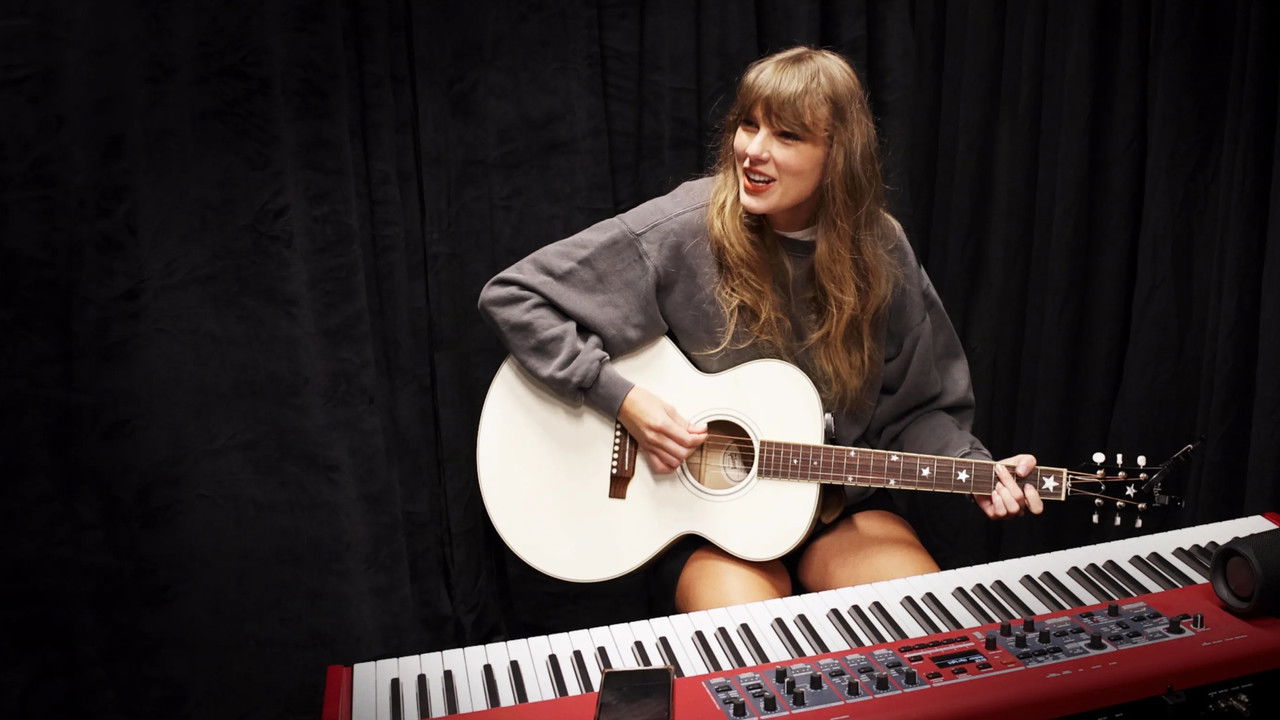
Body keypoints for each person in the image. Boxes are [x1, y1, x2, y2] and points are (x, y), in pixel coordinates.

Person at [478, 46, 1042, 614]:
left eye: (787, 135)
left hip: (834, 513)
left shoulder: (881, 248)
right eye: (749, 124)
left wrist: (973, 465)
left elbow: (916, 408)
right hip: (710, 523)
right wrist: (624, 402)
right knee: (750, 645)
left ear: (838, 154)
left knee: (925, 620)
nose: (753, 150)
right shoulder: (685, 227)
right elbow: (515, 297)